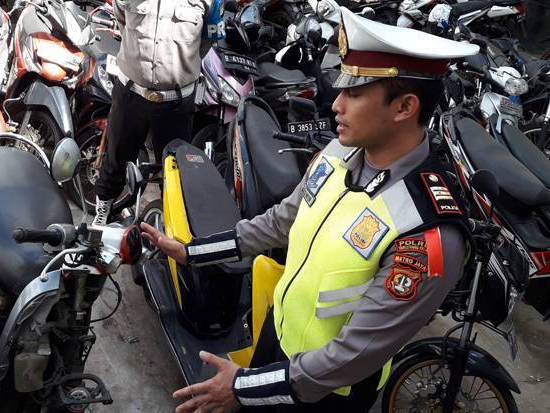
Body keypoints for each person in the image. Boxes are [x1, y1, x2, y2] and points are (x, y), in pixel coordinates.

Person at [140, 6, 479, 412]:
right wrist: (192, 252)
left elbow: (353, 354)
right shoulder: (340, 151)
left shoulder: (427, 230)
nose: (336, 105)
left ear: (404, 107)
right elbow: (281, 220)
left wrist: (244, 388)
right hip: (275, 340)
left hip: (325, 393)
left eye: (354, 93)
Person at [93, 0, 227, 225]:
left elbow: (208, 39)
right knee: (114, 162)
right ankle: (102, 215)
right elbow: (122, 21)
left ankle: (169, 229)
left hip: (176, 103)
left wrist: (180, 68)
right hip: (130, 95)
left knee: (174, 174)